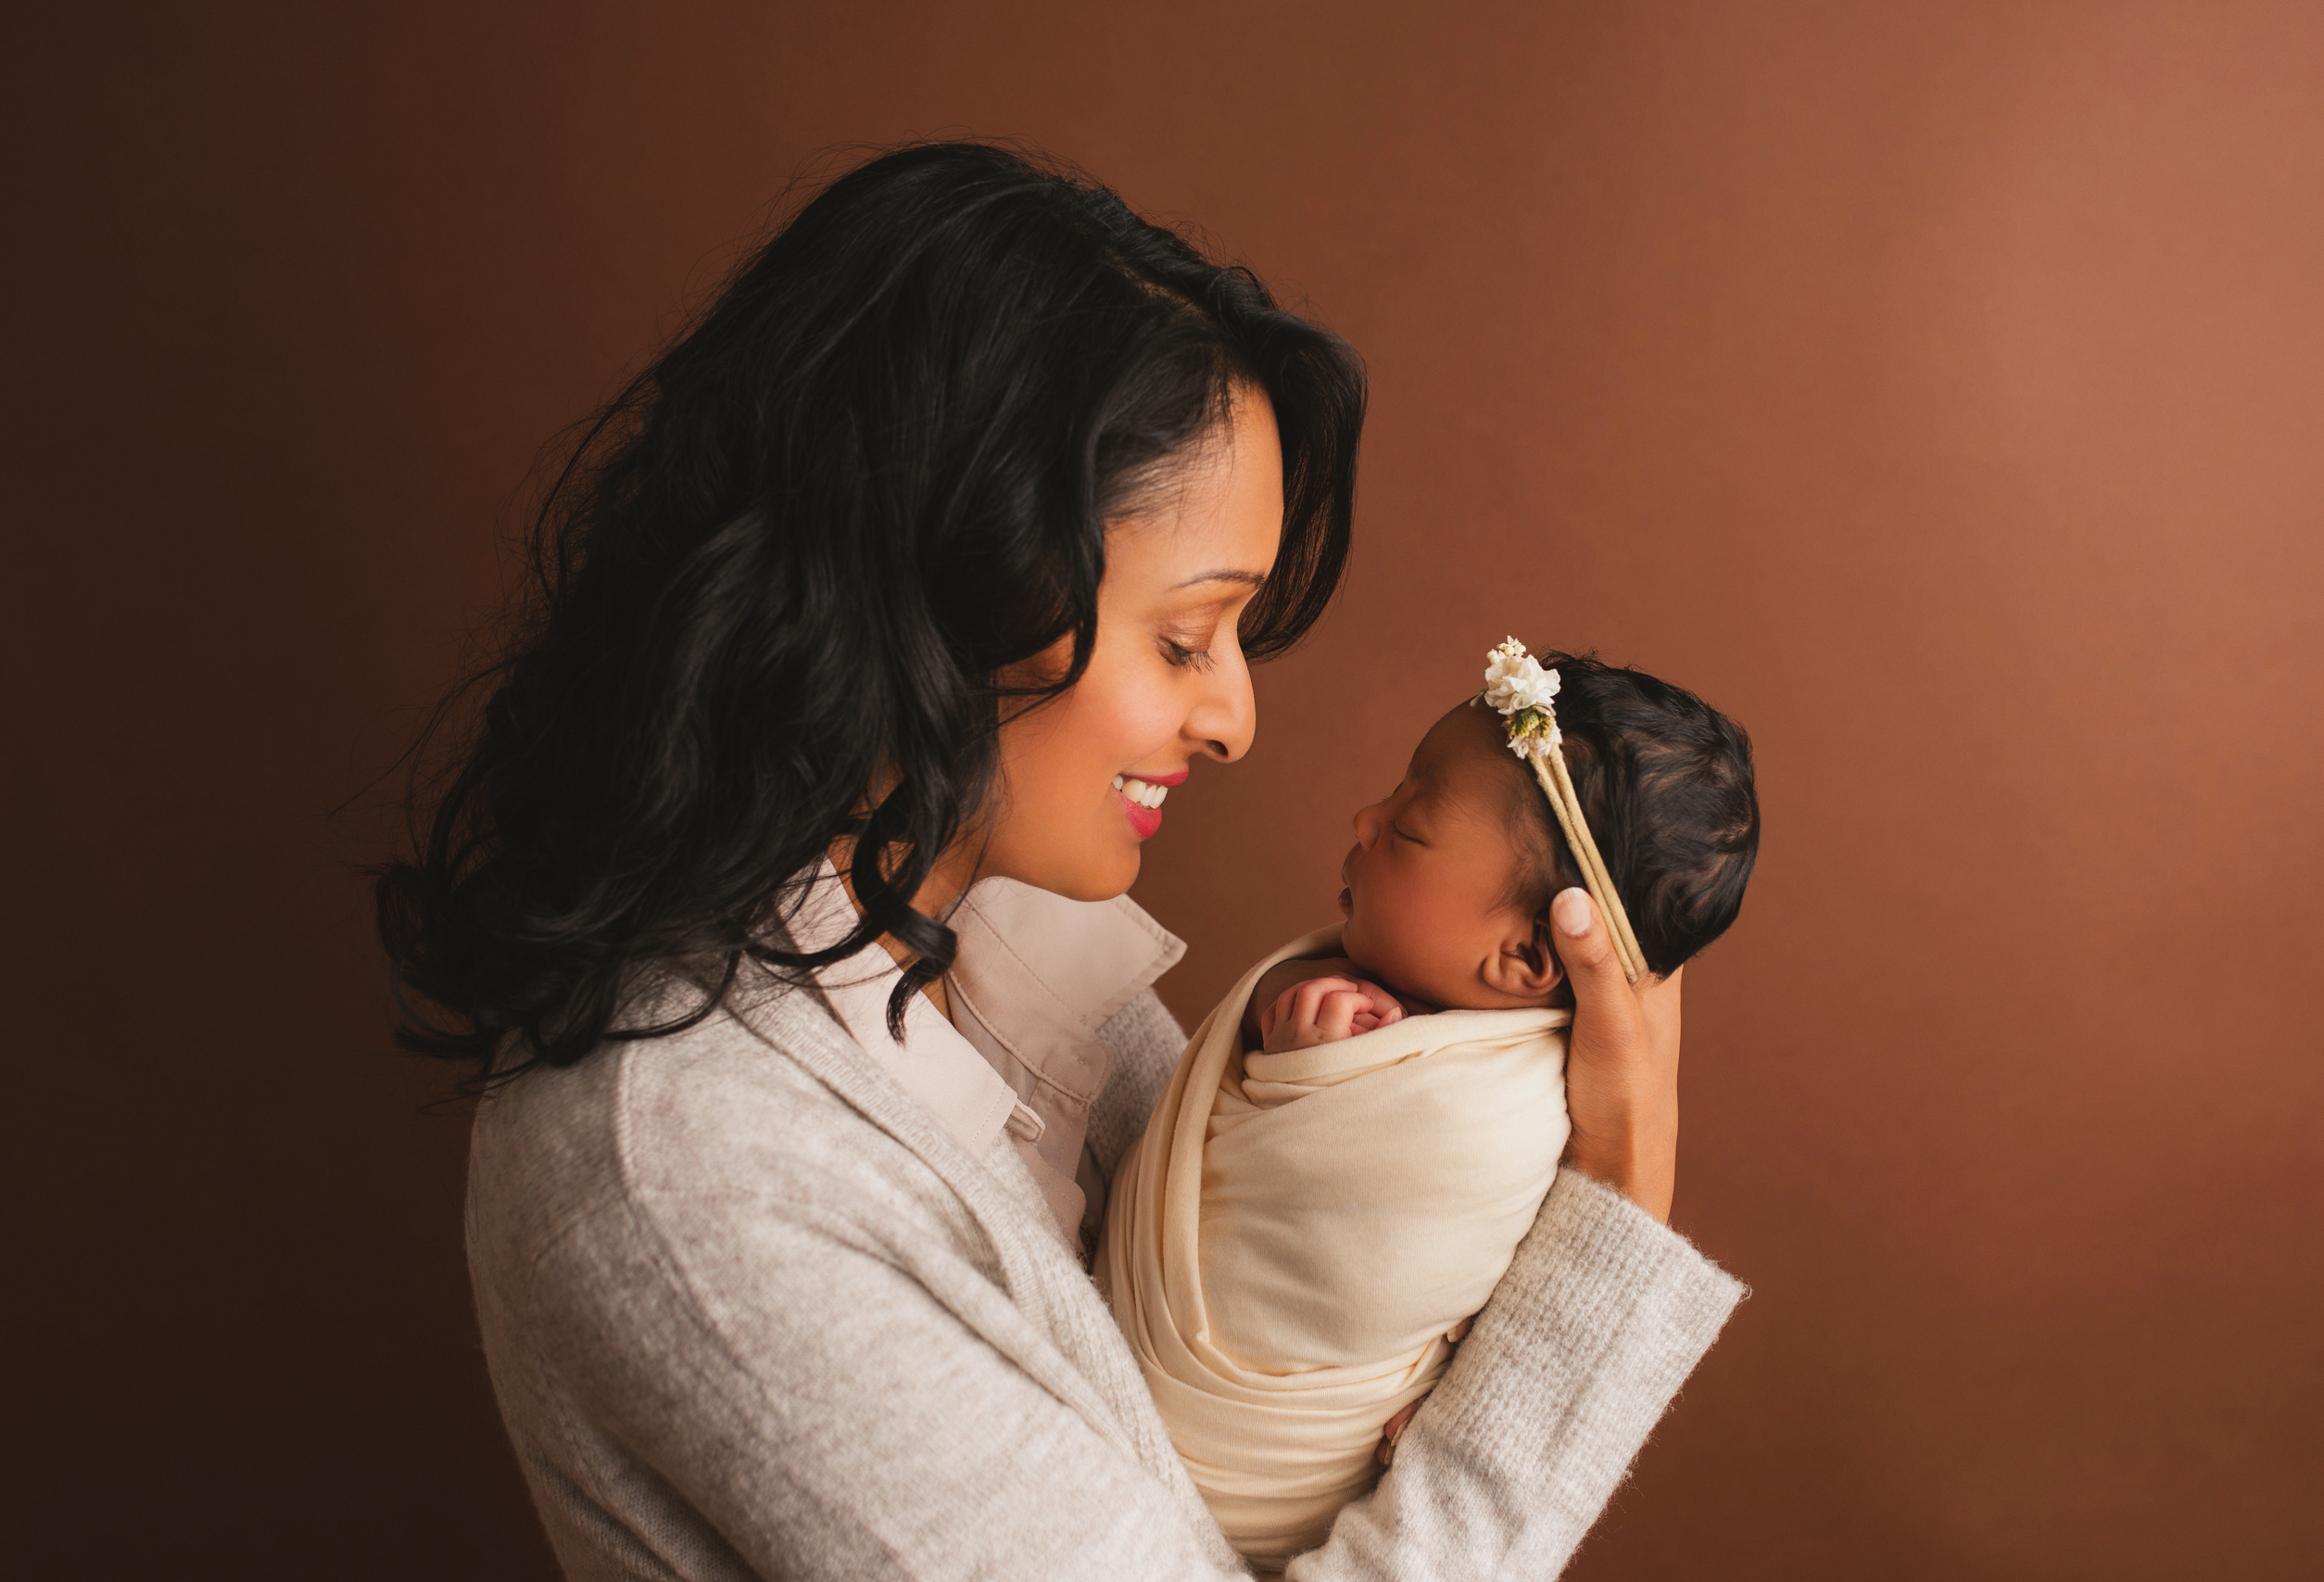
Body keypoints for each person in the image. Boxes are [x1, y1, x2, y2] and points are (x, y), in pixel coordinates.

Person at [376, 141, 1745, 1580]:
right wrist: (1616, 1211)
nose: (1234, 718)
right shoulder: (698, 1168)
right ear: (949, 579)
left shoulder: (980, 950)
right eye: (1182, 638)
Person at [1103, 649, 1760, 1571]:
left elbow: (1398, 1226)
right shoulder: (1394, 1009)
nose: (1364, 818)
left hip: (1231, 1491)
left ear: (1529, 962)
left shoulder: (1486, 1114)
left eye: (1407, 827)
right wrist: (1297, 1025)